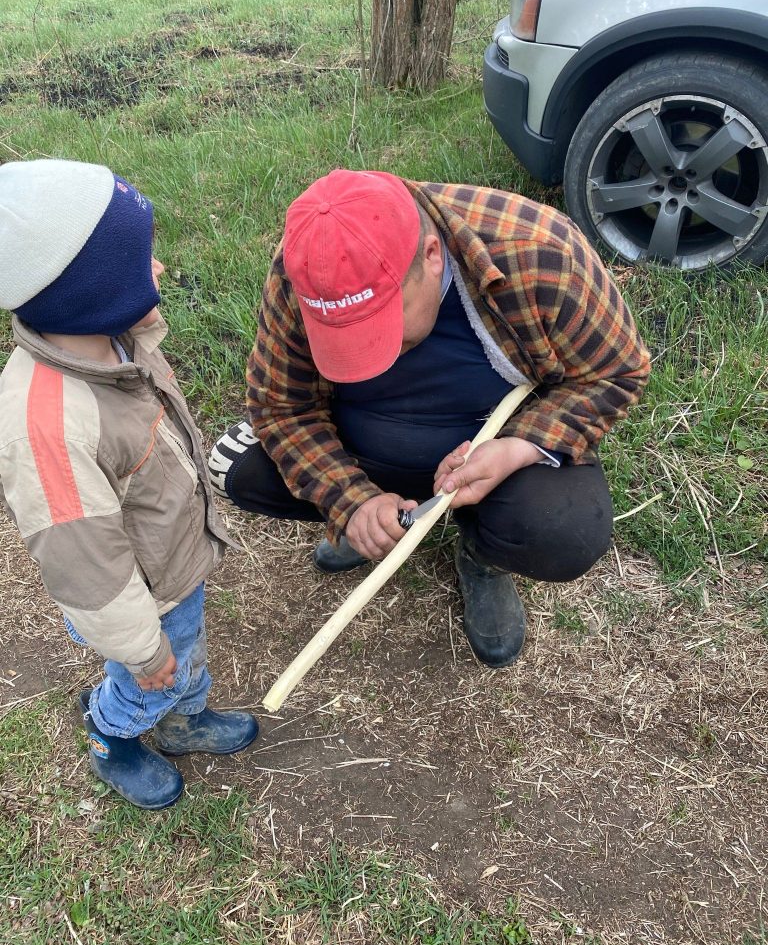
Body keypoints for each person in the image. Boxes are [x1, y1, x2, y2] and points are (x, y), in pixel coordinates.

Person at [210, 170, 651, 668]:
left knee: (564, 530)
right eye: (346, 341)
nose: (374, 360)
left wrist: (519, 448)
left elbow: (616, 371)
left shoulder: (540, 252)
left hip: (491, 444)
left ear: (431, 256)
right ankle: (380, 522)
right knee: (237, 465)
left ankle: (483, 555)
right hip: (364, 441)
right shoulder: (313, 266)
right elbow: (279, 406)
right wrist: (350, 500)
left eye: (384, 329)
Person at [0, 159, 258, 810]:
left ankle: (179, 717)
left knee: (187, 649)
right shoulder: (45, 428)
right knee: (158, 670)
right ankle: (112, 733)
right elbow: (86, 566)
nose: (161, 270)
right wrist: (141, 650)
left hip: (172, 560)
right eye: (140, 261)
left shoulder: (117, 342)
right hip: (137, 597)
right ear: (89, 288)